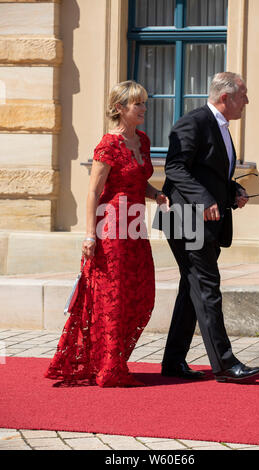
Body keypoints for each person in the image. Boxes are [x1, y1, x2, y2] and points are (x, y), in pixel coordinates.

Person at [45, 80, 168, 387]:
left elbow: (138, 182)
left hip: (135, 226)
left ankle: (111, 359)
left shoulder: (142, 140)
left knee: (140, 295)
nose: (143, 108)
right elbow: (93, 192)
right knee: (112, 297)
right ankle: (110, 368)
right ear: (119, 108)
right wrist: (89, 236)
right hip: (111, 227)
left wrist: (157, 194)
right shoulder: (107, 145)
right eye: (137, 104)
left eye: (143, 103)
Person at [160, 72, 259, 382]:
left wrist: (233, 191)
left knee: (192, 289)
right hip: (185, 218)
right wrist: (204, 200)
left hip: (202, 220)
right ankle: (225, 364)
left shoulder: (220, 127)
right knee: (207, 288)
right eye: (243, 95)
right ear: (225, 98)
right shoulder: (194, 122)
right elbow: (175, 167)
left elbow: (208, 172)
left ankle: (174, 362)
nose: (247, 101)